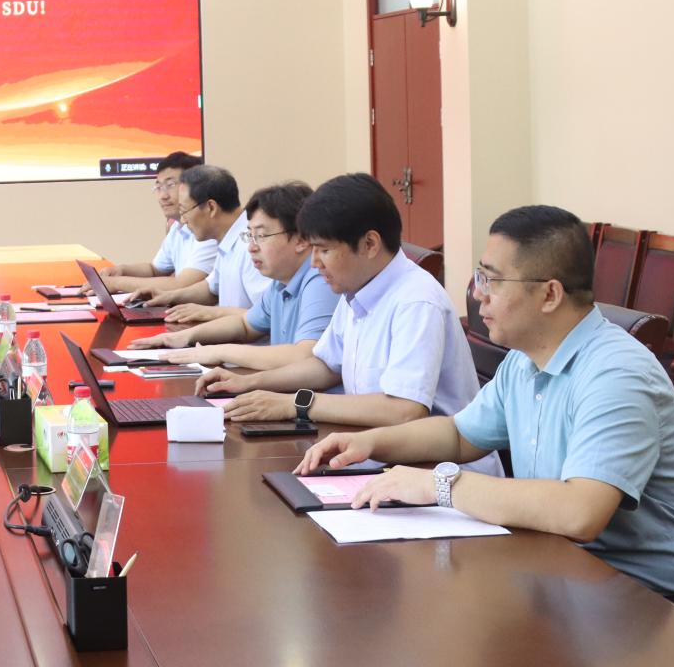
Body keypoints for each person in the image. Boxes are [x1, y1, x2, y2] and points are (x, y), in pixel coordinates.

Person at [297, 205, 674, 598]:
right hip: (569, 568)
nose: (477, 293)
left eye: (492, 280)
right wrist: (371, 443)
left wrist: (438, 485)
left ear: (550, 295)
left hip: (663, 595)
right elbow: (459, 435)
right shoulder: (525, 360)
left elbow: (581, 512)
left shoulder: (616, 374)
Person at [206, 173, 493, 469]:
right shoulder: (356, 287)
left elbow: (404, 411)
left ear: (369, 244)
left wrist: (295, 403)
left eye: (324, 250)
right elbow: (326, 366)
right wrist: (249, 384)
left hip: (440, 472)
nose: (315, 263)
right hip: (377, 455)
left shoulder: (416, 301)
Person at [125, 181, 340, 375]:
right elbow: (245, 324)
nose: (252, 247)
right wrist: (182, 337)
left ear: (301, 240)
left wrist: (219, 352)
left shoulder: (319, 280)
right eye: (250, 236)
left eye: (261, 236)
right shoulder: (280, 282)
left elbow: (304, 355)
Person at [140, 163, 263, 317]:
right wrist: (167, 296)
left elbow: (267, 317)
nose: (183, 220)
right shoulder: (227, 239)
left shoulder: (251, 245)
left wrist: (210, 313)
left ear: (211, 207)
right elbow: (211, 288)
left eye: (184, 211)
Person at [98, 151, 214, 298]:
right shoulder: (177, 227)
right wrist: (121, 270)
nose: (163, 196)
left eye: (170, 185)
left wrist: (115, 283)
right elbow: (155, 269)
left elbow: (182, 285)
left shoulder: (208, 231)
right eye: (158, 187)